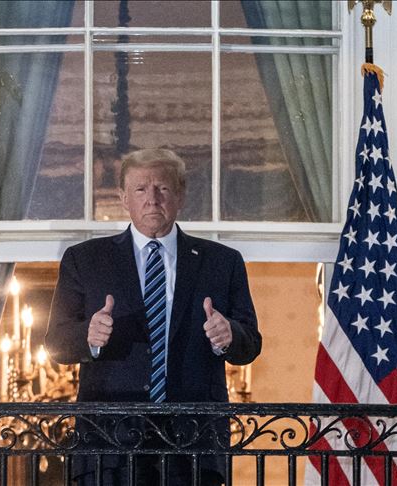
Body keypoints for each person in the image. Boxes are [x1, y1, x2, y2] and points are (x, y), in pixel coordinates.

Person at [45, 148, 261, 486]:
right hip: (109, 444)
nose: (152, 199)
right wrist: (89, 336)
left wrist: (229, 335)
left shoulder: (222, 261)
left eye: (162, 188)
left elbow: (251, 343)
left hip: (194, 443)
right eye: (140, 189)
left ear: (180, 196)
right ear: (123, 198)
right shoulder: (84, 259)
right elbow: (56, 343)